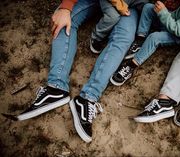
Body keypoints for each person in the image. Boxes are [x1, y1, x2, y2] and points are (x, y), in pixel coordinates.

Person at [7, 0, 148, 143]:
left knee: (124, 38)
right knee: (65, 19)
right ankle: (56, 88)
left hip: (128, 7)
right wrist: (66, 7)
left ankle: (87, 98)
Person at [110, 0, 180, 86]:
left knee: (154, 37)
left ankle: (131, 66)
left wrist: (163, 12)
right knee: (148, 8)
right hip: (173, 19)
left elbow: (179, 31)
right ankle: (140, 41)